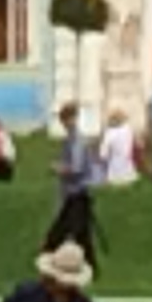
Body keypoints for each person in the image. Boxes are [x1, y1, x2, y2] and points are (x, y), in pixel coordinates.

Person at [47, 103, 104, 260]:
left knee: (61, 234)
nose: (65, 123)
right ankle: (89, 265)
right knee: (81, 236)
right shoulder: (71, 140)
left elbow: (77, 168)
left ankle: (49, 259)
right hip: (73, 193)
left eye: (66, 119)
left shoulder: (76, 141)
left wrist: (59, 169)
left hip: (77, 193)